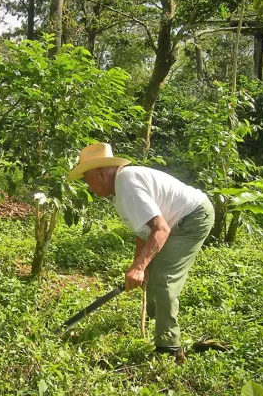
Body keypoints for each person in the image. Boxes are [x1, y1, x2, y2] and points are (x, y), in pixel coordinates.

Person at [68, 143, 215, 363]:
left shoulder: (127, 183)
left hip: (193, 217)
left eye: (87, 180)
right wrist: (141, 265)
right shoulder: (120, 189)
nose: (88, 187)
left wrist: (138, 268)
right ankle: (161, 319)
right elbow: (144, 230)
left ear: (100, 173)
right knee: (153, 273)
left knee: (164, 277)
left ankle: (169, 348)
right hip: (175, 221)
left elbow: (160, 229)